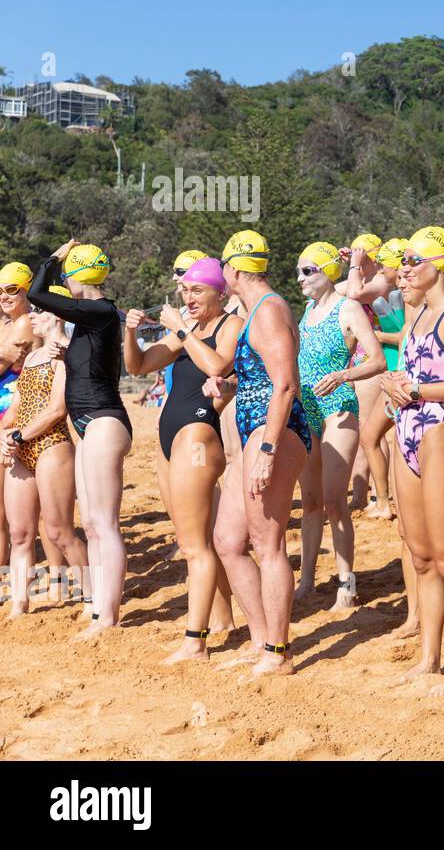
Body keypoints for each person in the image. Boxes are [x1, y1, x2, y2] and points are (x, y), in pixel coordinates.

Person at [379, 227, 444, 695]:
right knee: (420, 557)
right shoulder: (416, 313)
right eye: (402, 261)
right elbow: (407, 371)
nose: (404, 268)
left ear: (440, 264)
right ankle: (429, 657)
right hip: (406, 430)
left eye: (413, 261)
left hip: (441, 432)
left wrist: (416, 390)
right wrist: (390, 383)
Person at [123, 257, 242, 662]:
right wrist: (131, 332)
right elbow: (138, 366)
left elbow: (217, 364)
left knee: (195, 547)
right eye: (184, 290)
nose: (186, 297)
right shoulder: (187, 329)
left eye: (196, 291)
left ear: (219, 292)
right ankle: (223, 618)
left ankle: (195, 641)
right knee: (193, 538)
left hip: (198, 435)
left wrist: (178, 329)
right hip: (169, 436)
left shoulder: (231, 325)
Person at [211, 230, 312, 676]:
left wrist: (269, 450)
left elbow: (286, 384)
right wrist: (228, 385)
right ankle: (259, 640)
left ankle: (279, 650)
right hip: (258, 430)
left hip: (277, 433)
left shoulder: (269, 310)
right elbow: (263, 380)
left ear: (234, 270)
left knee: (267, 544)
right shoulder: (255, 310)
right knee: (228, 541)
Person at [28, 241, 133, 638]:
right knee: (90, 521)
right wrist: (65, 351)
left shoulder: (100, 310)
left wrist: (52, 257)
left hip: (105, 421)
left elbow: (37, 292)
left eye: (68, 272)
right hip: (90, 422)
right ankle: (98, 610)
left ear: (76, 275)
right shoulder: (92, 322)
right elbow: (90, 364)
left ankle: (108, 615)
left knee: (104, 523)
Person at [294, 242, 384, 609]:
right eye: (298, 270)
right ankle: (307, 580)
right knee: (311, 501)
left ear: (328, 272)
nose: (299, 278)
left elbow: (377, 359)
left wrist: (344, 375)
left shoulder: (348, 309)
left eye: (307, 271)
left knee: (334, 500)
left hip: (338, 409)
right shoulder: (307, 310)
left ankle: (346, 582)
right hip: (309, 409)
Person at [1, 284, 82, 617]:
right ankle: (19, 603)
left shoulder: (66, 351)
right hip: (22, 445)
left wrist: (17, 435)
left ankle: (92, 592)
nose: (31, 316)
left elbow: (56, 411)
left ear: (55, 314)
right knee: (20, 531)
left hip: (50, 443)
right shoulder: (33, 356)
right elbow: (18, 404)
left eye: (39, 310)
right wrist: (4, 434)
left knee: (59, 530)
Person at [352, 237, 406, 521]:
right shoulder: (398, 295)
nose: (382, 271)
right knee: (371, 436)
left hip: (401, 376)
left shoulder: (410, 296)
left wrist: (374, 336)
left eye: (385, 265)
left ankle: (393, 500)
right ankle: (384, 500)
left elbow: (407, 337)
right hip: (392, 375)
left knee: (397, 441)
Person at [340, 233, 388, 510]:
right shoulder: (362, 278)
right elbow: (336, 290)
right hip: (357, 361)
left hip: (373, 360)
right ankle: (360, 495)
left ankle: (380, 495)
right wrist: (348, 265)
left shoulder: (382, 280)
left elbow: (353, 295)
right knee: (361, 431)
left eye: (363, 254)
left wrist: (355, 266)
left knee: (373, 432)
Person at [0, 262, 37, 591]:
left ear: (26, 289)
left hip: (13, 416)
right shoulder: (6, 323)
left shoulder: (26, 323)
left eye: (12, 289)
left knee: (7, 514)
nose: (4, 296)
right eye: (0, 291)